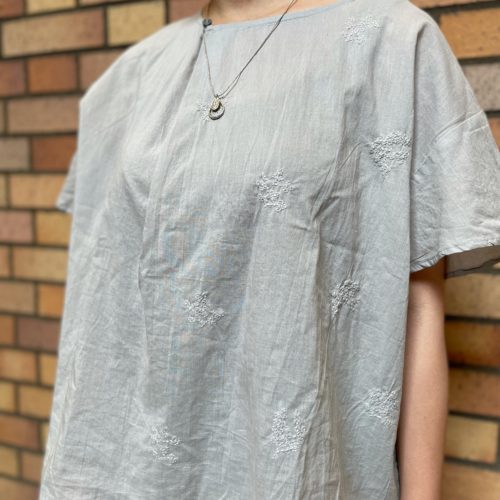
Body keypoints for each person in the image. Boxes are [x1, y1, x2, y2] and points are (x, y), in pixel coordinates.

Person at [40, 0, 500, 499]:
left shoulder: (392, 42)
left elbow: (416, 309)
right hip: (124, 477)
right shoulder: (134, 72)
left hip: (289, 476)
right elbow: (100, 299)